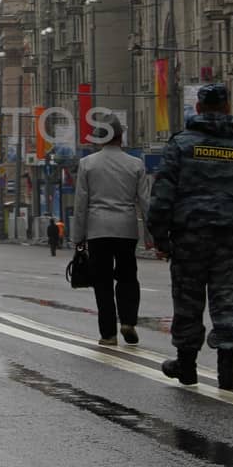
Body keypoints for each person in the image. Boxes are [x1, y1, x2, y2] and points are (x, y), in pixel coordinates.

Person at [147, 83, 233, 389]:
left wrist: (160, 238)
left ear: (200, 108)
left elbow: (162, 195)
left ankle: (186, 366)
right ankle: (227, 369)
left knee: (188, 300)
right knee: (229, 300)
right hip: (232, 236)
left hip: (189, 236)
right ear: (228, 107)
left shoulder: (181, 145)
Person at [71, 112, 151, 346]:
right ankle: (128, 321)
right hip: (126, 229)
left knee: (102, 281)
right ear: (121, 136)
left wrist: (78, 237)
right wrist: (151, 236)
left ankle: (108, 334)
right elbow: (145, 202)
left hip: (98, 230)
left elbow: (80, 204)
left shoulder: (87, 164)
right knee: (128, 277)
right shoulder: (135, 164)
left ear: (99, 138)